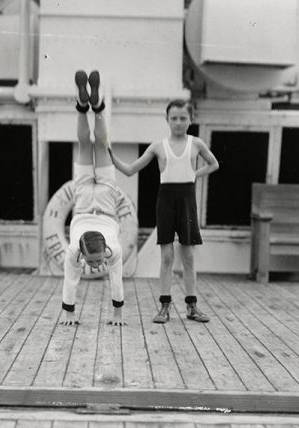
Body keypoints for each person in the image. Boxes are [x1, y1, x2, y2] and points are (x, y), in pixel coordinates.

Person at [109, 99, 219, 323]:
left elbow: (214, 164)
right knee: (167, 257)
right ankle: (165, 307)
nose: (178, 123)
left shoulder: (196, 143)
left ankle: (192, 306)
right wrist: (110, 155)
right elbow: (131, 170)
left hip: (187, 201)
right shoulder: (158, 146)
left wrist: (194, 174)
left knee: (188, 256)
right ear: (167, 119)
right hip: (166, 202)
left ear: (191, 119)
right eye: (174, 118)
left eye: (183, 118)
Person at [60, 69, 126, 327]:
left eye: (95, 261)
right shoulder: (109, 250)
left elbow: (71, 280)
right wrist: (117, 313)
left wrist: (70, 313)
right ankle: (91, 106)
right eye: (96, 261)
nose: (97, 265)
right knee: (95, 145)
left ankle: (87, 106)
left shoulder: (76, 251)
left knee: (89, 145)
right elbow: (116, 279)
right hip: (102, 203)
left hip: (90, 201)